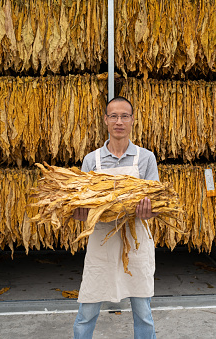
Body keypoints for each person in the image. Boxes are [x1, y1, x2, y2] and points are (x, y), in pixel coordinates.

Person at [72, 96, 159, 339]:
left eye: (124, 116)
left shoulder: (145, 158)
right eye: (113, 116)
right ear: (105, 120)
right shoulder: (92, 161)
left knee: (143, 311)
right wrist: (80, 214)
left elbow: (157, 207)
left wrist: (147, 210)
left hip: (136, 242)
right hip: (102, 243)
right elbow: (83, 208)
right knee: (87, 309)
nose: (118, 121)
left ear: (132, 120)